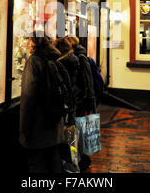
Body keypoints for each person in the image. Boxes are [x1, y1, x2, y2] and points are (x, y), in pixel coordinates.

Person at [19, 31, 65, 173]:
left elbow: (28, 95)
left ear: (34, 42)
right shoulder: (57, 58)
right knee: (54, 161)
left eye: (29, 41)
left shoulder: (34, 61)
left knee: (37, 165)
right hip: (55, 122)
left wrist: (24, 128)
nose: (27, 44)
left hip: (38, 125)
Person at [66, 36, 96, 172]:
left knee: (78, 132)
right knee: (78, 132)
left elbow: (87, 81)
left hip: (81, 102)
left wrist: (88, 101)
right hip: (80, 101)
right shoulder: (79, 56)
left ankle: (81, 160)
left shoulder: (80, 57)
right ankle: (81, 159)